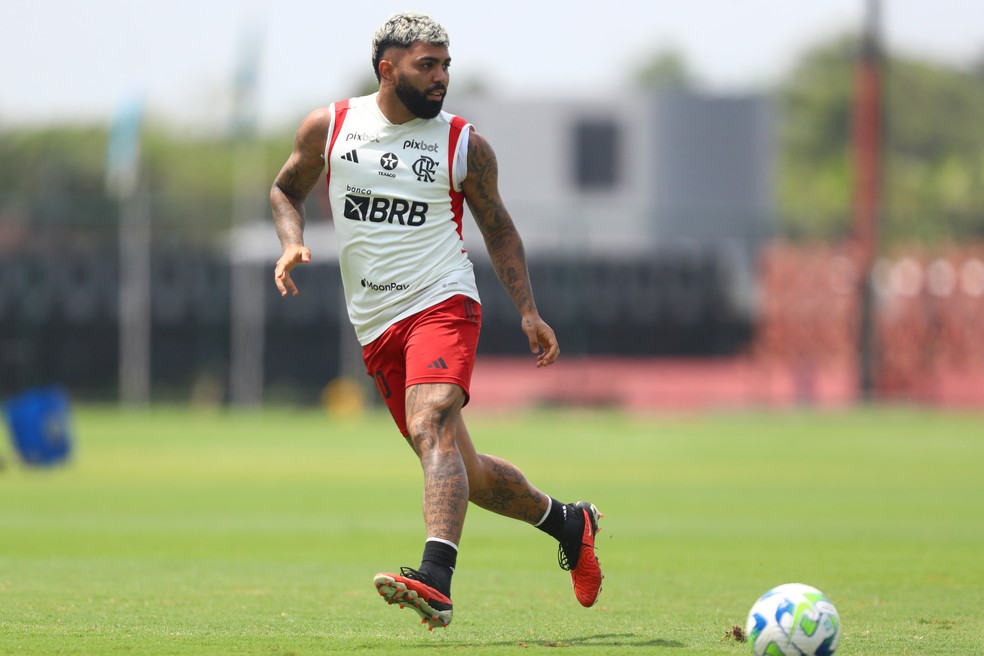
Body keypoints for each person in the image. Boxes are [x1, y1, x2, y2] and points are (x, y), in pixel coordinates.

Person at [270, 11, 603, 630]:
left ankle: (435, 578)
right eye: (428, 65)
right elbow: (285, 189)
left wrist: (528, 311)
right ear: (387, 69)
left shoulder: (463, 145)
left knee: (431, 419)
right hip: (376, 324)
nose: (442, 77)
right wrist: (291, 241)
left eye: (447, 65)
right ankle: (568, 521)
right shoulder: (331, 126)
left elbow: (499, 229)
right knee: (461, 470)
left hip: (443, 301)